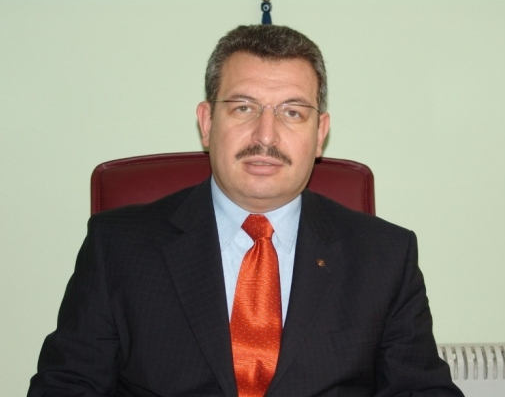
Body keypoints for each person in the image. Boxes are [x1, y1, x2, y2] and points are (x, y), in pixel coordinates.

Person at [29, 24, 463, 397]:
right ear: (207, 123)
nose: (265, 135)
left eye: (293, 112)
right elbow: (66, 386)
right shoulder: (118, 247)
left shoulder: (385, 256)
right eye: (243, 108)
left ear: (320, 134)